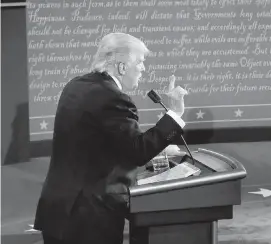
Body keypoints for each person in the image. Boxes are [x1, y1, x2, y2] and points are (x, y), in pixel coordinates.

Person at [34, 33, 188, 243]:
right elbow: (137, 151)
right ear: (122, 67)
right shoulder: (113, 97)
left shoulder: (76, 85)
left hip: (60, 210)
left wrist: (158, 151)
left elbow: (96, 146)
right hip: (88, 219)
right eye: (140, 62)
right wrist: (175, 114)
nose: (143, 69)